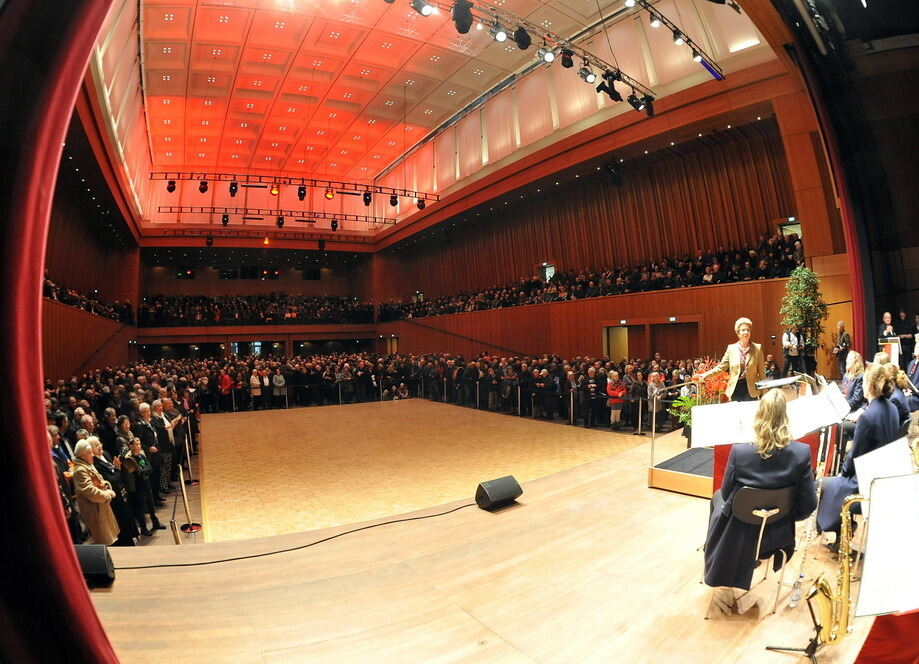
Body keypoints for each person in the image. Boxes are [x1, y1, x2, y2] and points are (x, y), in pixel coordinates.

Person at [703, 389, 817, 590]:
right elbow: (808, 503)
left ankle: (714, 549)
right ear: (785, 417)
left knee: (716, 497)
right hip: (778, 531)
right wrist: (784, 514)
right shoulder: (801, 453)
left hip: (738, 531)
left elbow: (728, 494)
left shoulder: (740, 452)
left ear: (759, 415)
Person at [817, 362, 899, 547]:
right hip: (884, 478)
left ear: (869, 386)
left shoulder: (867, 418)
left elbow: (854, 458)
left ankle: (841, 538)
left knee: (820, 485)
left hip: (864, 484)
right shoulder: (891, 408)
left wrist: (842, 473)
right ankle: (845, 529)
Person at [702, 317, 766, 402]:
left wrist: (764, 394)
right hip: (735, 388)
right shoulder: (731, 349)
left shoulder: (757, 348)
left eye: (748, 330)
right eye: (743, 330)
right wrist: (705, 375)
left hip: (751, 389)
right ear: (738, 333)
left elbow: (762, 373)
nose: (746, 332)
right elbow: (721, 367)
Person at [71, 440, 120, 546]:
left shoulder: (88, 465)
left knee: (110, 538)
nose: (92, 454)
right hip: (94, 510)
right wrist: (107, 494)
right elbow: (91, 492)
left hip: (101, 507)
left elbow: (100, 481)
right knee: (103, 541)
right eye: (89, 453)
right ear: (82, 455)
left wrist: (106, 487)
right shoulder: (80, 470)